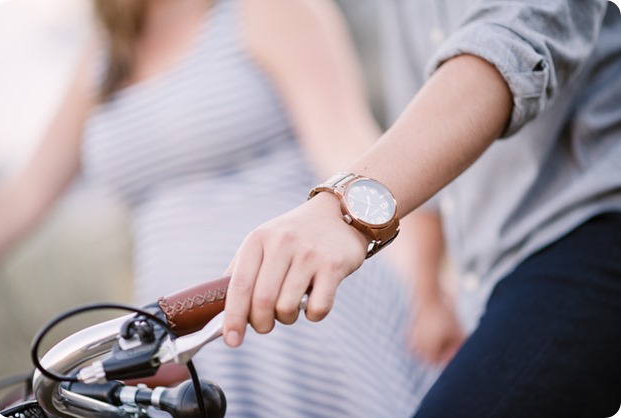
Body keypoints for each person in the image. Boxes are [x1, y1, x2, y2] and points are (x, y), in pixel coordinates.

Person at [0, 0, 443, 416]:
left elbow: (350, 151)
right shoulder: (106, 55)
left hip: (296, 317)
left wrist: (425, 289)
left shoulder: (265, 10)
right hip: (186, 339)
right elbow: (23, 196)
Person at [222, 1, 621, 416]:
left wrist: (341, 209)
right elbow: (418, 115)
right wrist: (427, 291)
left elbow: (509, 46)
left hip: (590, 223)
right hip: (493, 278)